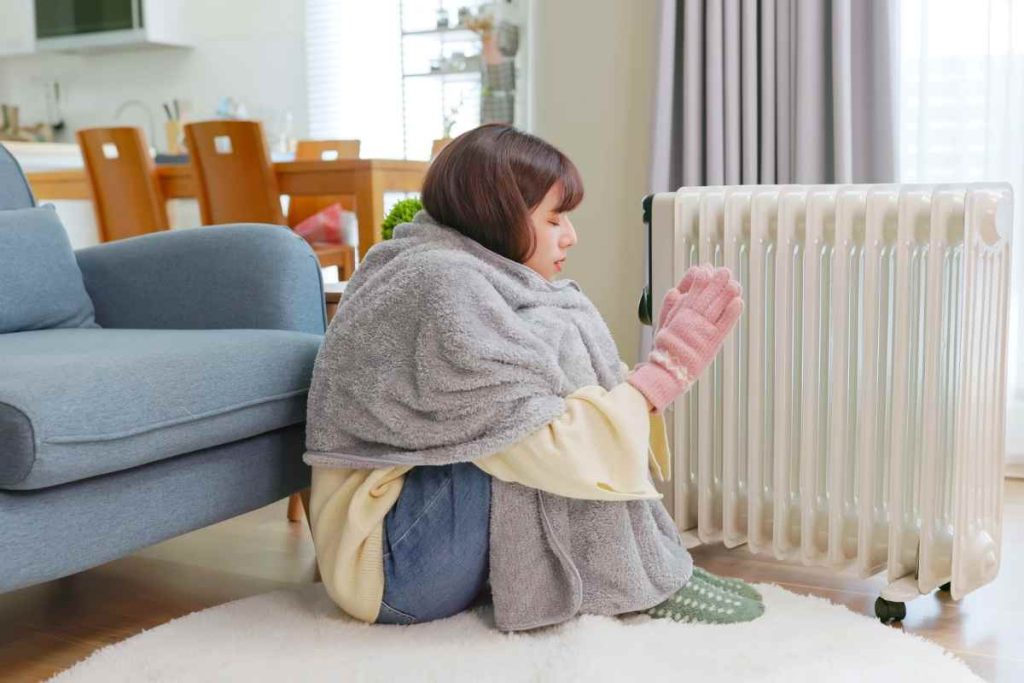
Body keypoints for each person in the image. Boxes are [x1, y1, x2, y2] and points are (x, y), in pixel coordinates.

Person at [303, 123, 762, 630]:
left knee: (541, 387)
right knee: (530, 420)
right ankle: (629, 580)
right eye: (553, 218)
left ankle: (643, 566)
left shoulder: (467, 272)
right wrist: (665, 372)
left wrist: (652, 377)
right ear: (497, 216)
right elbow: (545, 444)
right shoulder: (440, 284)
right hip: (391, 570)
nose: (571, 235)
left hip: (421, 542)